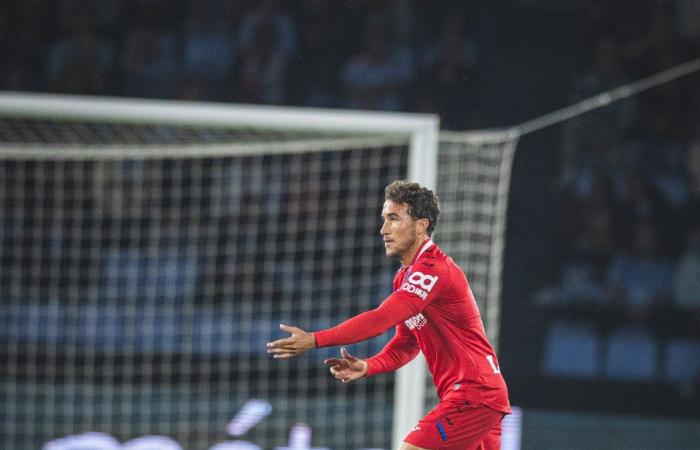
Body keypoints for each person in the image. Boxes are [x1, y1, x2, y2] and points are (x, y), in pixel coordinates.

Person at [267, 180, 511, 449]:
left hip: (474, 393)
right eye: (384, 219)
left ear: (422, 225)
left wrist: (315, 339)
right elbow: (407, 344)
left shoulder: (434, 269)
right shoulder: (405, 277)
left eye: (394, 219)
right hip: (478, 395)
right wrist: (369, 366)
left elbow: (380, 319)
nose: (383, 230)